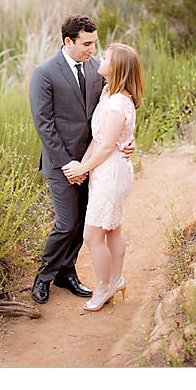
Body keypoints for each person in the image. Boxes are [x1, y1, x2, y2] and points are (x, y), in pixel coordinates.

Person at [28, 15, 133, 305]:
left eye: (94, 43)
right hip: (61, 163)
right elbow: (44, 124)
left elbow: (113, 109)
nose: (92, 49)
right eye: (86, 44)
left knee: (85, 222)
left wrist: (126, 139)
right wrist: (67, 166)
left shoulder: (96, 66)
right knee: (66, 223)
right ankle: (44, 277)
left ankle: (67, 272)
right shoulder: (45, 73)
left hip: (94, 162)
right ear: (68, 42)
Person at [62, 43, 144, 312]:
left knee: (92, 234)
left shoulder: (118, 101)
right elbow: (102, 140)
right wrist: (84, 167)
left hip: (112, 173)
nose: (101, 57)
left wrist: (81, 169)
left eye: (106, 56)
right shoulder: (109, 91)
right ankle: (115, 279)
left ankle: (103, 286)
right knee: (113, 227)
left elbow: (108, 145)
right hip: (106, 170)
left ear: (117, 66)